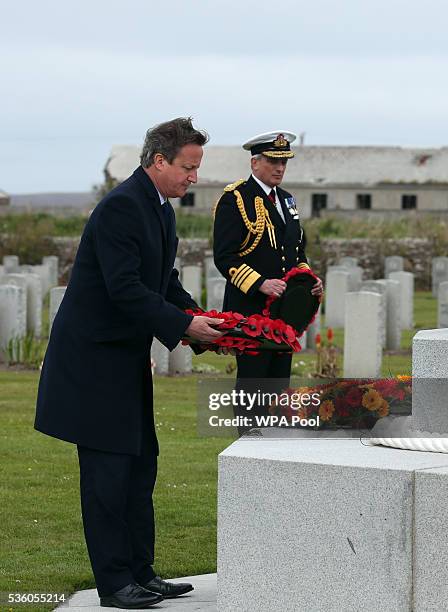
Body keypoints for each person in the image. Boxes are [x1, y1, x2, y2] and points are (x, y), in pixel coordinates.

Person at [35, 117, 223, 609]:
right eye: (188, 167)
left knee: (141, 469)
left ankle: (142, 571)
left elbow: (162, 280)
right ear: (158, 161)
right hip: (94, 365)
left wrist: (206, 323)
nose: (194, 178)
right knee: (107, 476)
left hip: (125, 362)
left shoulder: (159, 207)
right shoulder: (121, 207)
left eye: (196, 167)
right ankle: (115, 583)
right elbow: (125, 290)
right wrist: (185, 326)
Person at [213, 131, 323, 433]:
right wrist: (260, 283)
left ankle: (272, 446)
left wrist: (309, 281)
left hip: (285, 314)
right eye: (273, 161)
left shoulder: (287, 201)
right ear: (255, 162)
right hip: (250, 311)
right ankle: (248, 447)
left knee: (278, 384)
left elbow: (296, 253)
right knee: (253, 384)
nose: (280, 168)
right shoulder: (236, 199)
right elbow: (225, 257)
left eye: (283, 162)